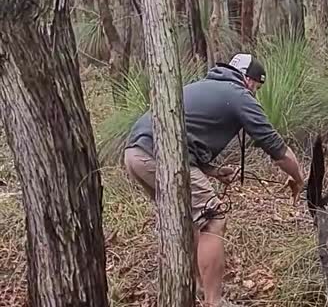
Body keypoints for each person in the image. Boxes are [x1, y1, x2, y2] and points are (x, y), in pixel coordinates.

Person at [123, 53, 305, 307]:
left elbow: (182, 140)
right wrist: (297, 177)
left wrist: (214, 171)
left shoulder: (203, 86)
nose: (256, 91)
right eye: (257, 85)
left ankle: (196, 287)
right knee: (213, 219)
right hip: (159, 157)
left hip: (135, 154)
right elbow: (277, 149)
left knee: (188, 219)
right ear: (248, 80)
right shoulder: (238, 95)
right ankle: (213, 301)